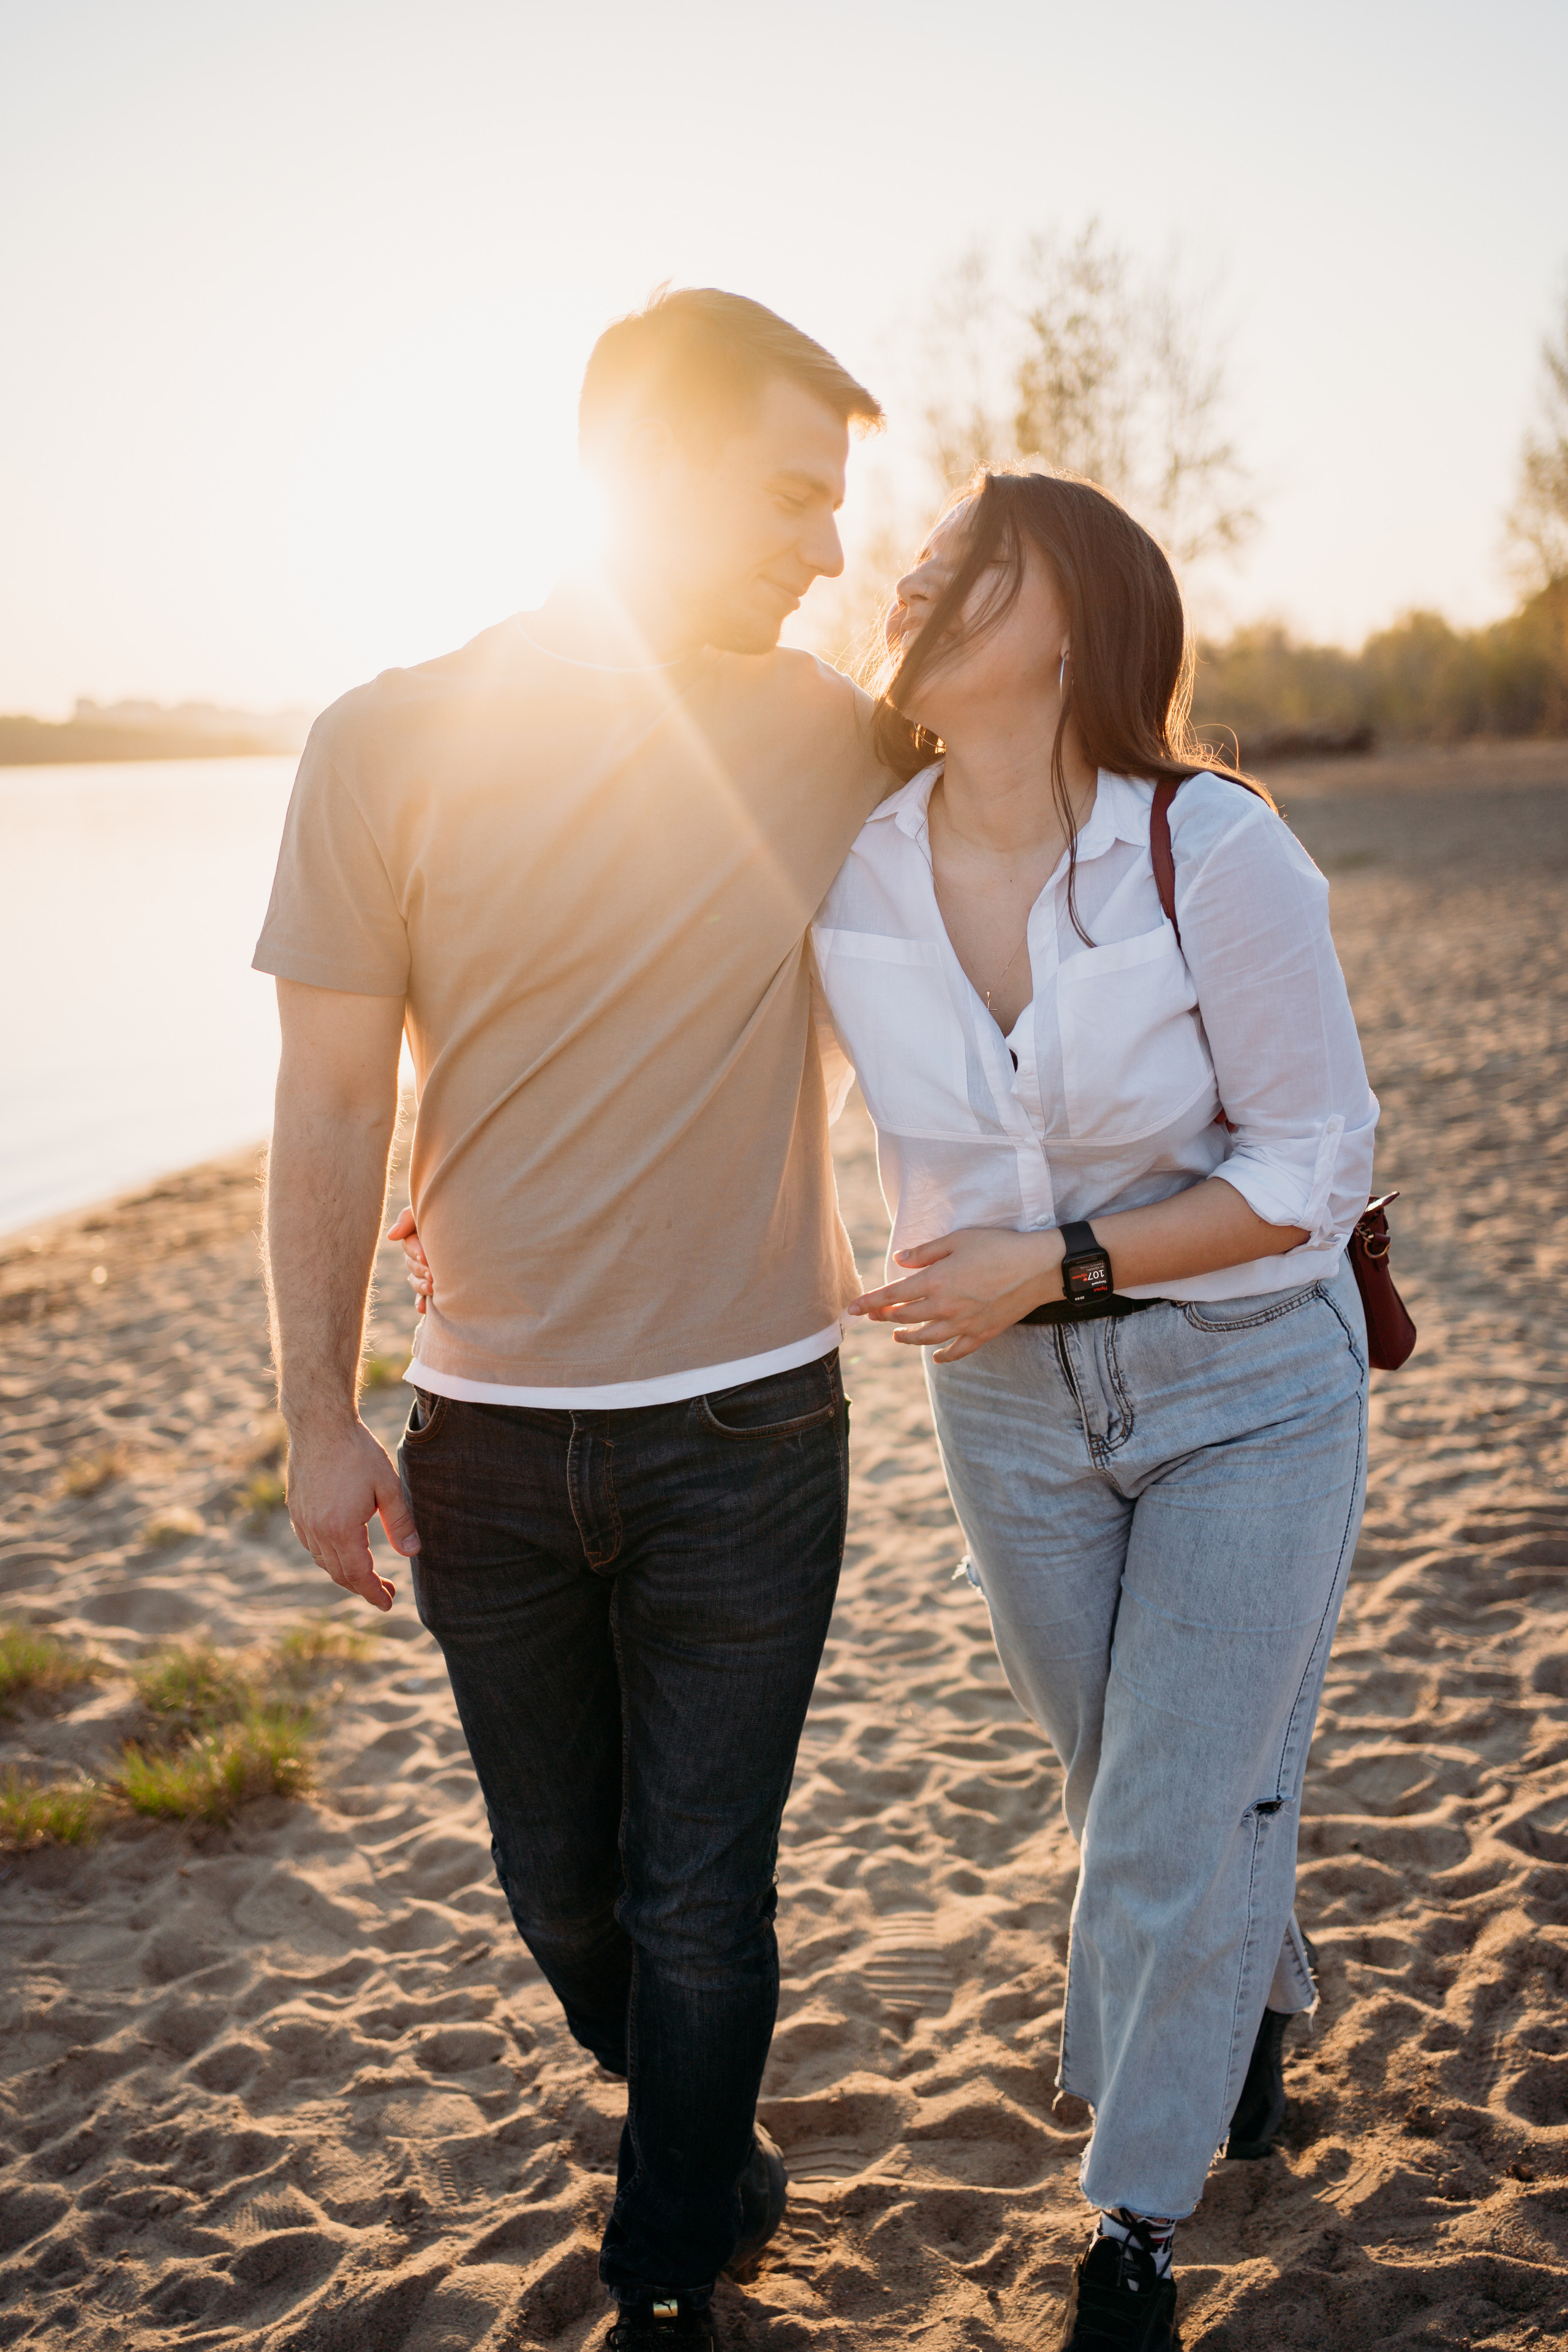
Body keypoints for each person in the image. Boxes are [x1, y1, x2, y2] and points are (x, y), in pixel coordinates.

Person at [253, 287, 902, 2352]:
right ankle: (705, 2145)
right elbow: (337, 1098)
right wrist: (317, 1418)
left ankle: (665, 2264)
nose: (828, 546)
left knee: (709, 1898)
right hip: (488, 1448)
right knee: (567, 1897)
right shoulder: (384, 737)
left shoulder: (838, 738)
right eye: (795, 492)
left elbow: (1057, 789)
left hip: (751, 1439)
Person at [810, 469, 1378, 2350]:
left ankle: (1128, 2231)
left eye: (974, 564)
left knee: (1158, 1819)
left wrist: (1060, 1267)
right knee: (1134, 1791)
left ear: (1073, 621)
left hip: (1248, 1389)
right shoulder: (853, 867)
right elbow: (691, 1039)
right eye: (919, 557)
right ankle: (1266, 1996)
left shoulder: (1209, 850)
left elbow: (1313, 1162)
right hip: (1009, 1419)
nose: (915, 576)